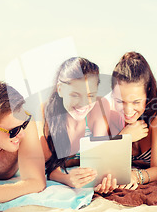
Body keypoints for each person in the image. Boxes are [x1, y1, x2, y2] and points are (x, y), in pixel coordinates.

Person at [39, 57, 116, 193]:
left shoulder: (101, 105)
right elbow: (48, 167)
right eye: (75, 95)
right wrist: (67, 179)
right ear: (60, 89)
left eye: (90, 95)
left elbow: (99, 155)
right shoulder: (45, 111)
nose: (84, 104)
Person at [109, 52, 157, 189]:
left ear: (147, 92)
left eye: (136, 102)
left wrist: (135, 176)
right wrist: (123, 137)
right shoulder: (109, 112)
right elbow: (104, 160)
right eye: (120, 101)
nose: (128, 111)